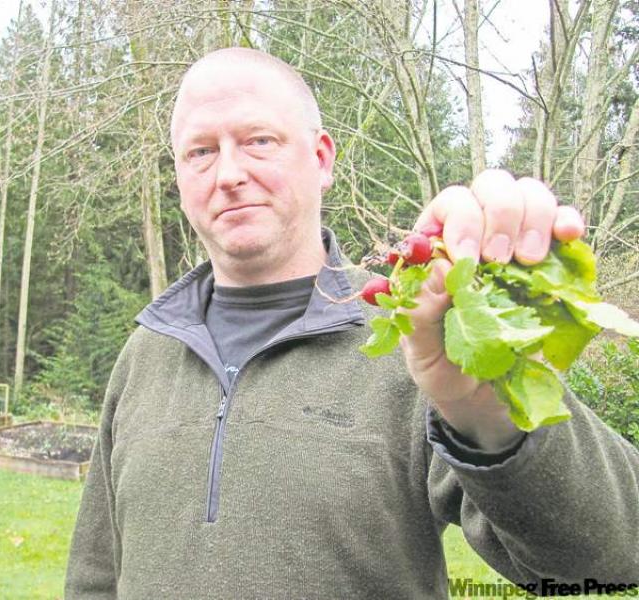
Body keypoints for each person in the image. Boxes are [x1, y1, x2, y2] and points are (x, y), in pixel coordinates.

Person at [65, 47, 639, 599]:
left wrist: (491, 410)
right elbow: (96, 572)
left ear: (321, 158)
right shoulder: (147, 351)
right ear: (180, 179)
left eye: (259, 141)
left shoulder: (415, 338)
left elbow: (607, 560)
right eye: (201, 152)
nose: (229, 173)